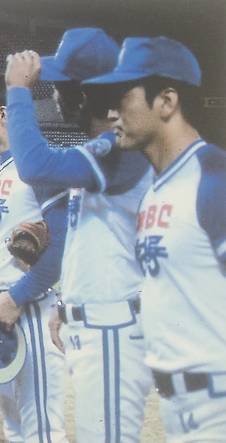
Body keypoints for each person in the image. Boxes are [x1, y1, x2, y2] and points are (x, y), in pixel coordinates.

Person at [4, 28, 155, 442]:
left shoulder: (119, 148)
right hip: (100, 322)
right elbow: (92, 243)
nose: (54, 93)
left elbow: (34, 166)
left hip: (113, 328)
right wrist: (68, 304)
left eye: (61, 84)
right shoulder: (107, 149)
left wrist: (18, 91)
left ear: (85, 93)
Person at [83, 36, 226, 442]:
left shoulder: (213, 180)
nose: (112, 113)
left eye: (123, 98)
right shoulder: (155, 191)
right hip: (178, 406)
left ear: (166, 101)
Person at [0, 73, 69, 443]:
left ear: (3, 114)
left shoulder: (41, 164)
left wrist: (16, 298)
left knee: (42, 431)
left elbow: (60, 247)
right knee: (16, 430)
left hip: (29, 311)